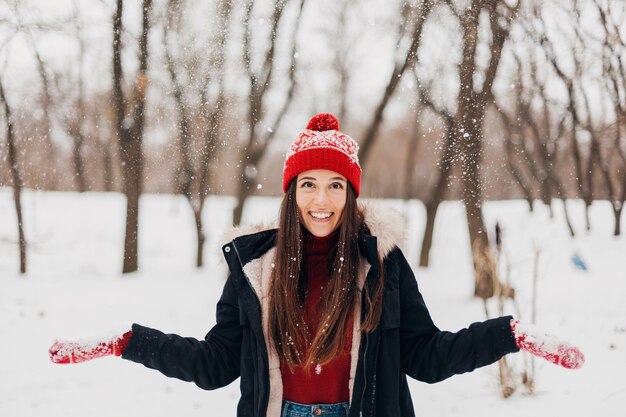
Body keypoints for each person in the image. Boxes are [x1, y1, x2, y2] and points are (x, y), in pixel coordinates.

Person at [49, 113, 584, 417]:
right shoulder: (255, 270)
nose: (321, 200)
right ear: (292, 193)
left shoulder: (382, 264)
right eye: (308, 184)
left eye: (335, 186)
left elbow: (426, 356)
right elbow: (216, 365)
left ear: (351, 194)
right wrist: (128, 341)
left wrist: (509, 334)